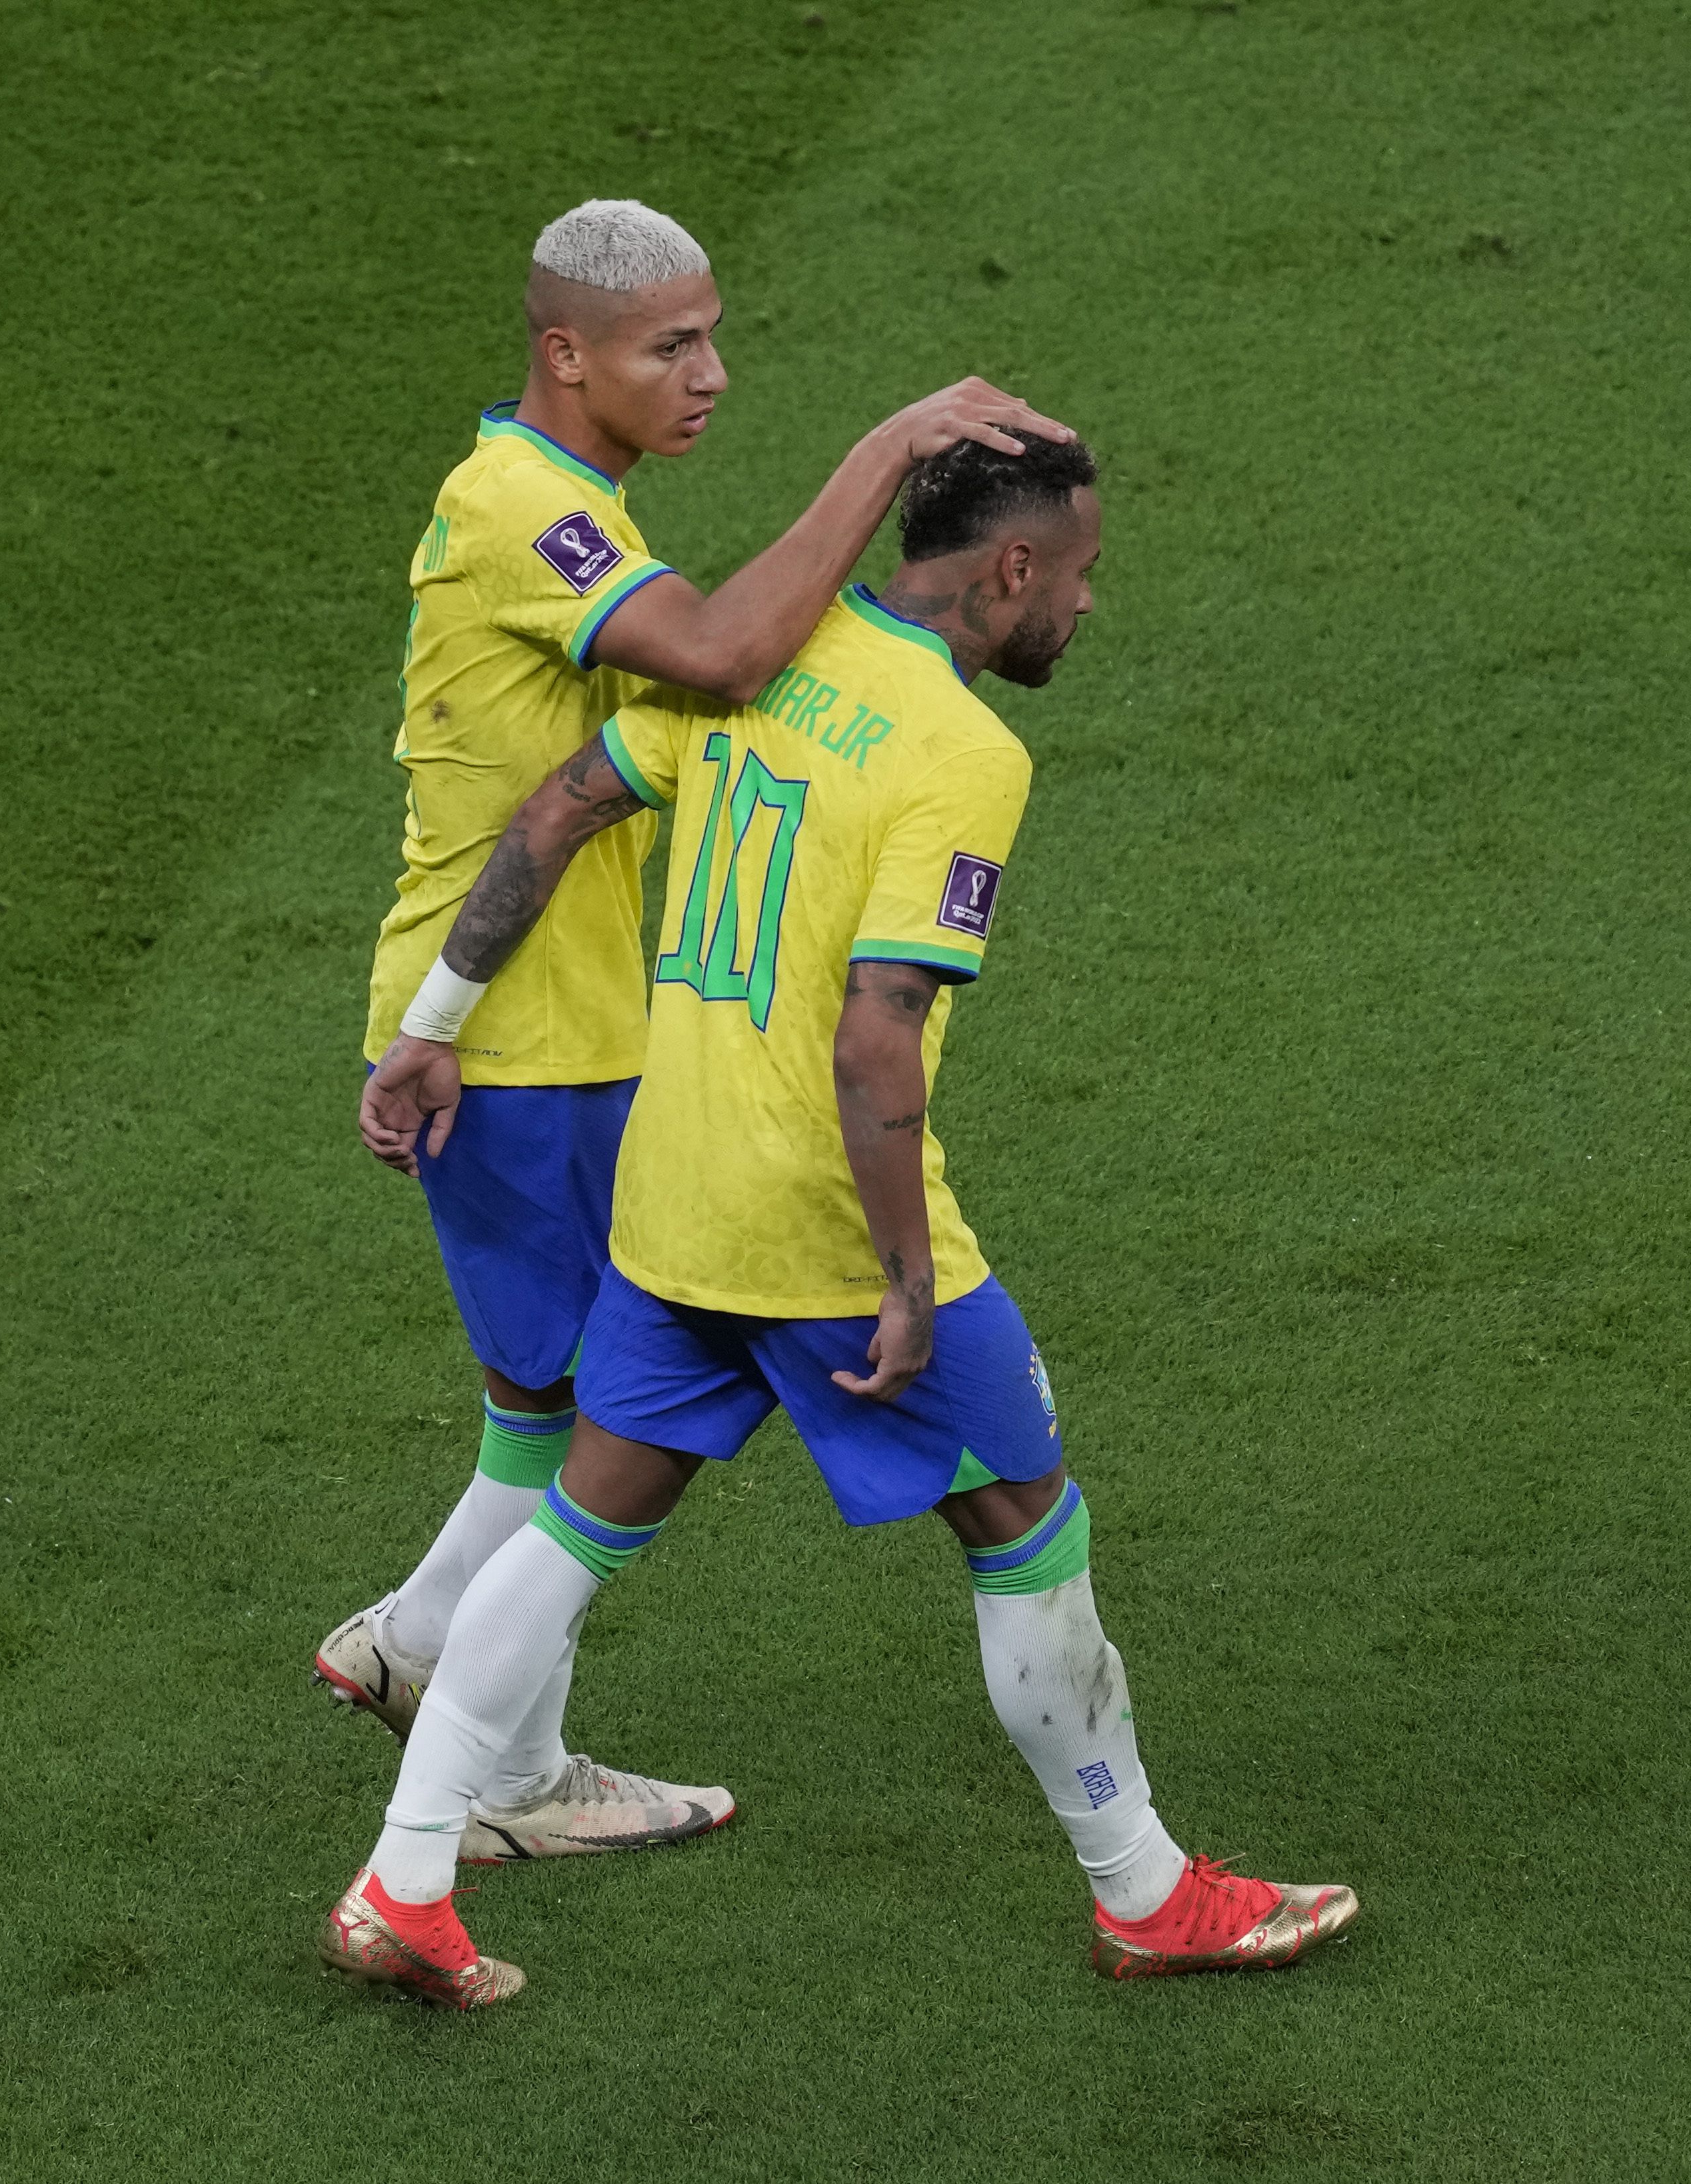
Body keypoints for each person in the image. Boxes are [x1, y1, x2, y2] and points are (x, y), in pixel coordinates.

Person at [322, 429, 1358, 2005]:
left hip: (673, 1201)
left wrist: (438, 1016)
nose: (1087, 604)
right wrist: (901, 1279)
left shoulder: (766, 652)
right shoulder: (962, 752)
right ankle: (1145, 1892)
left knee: (581, 1521)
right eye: (1079, 574)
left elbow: (549, 813)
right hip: (819, 1219)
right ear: (1011, 567)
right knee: (1026, 1524)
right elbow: (878, 1039)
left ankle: (405, 1879)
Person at [314, 197, 1069, 1869]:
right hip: (530, 1044)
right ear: (565, 355)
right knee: (596, 1415)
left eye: (715, 335)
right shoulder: (525, 508)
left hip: (537, 1025)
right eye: (674, 346)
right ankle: (486, 1773)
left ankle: (422, 1652)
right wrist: (891, 451)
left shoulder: (561, 497)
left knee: (562, 1403)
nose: (711, 373)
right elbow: (727, 657)